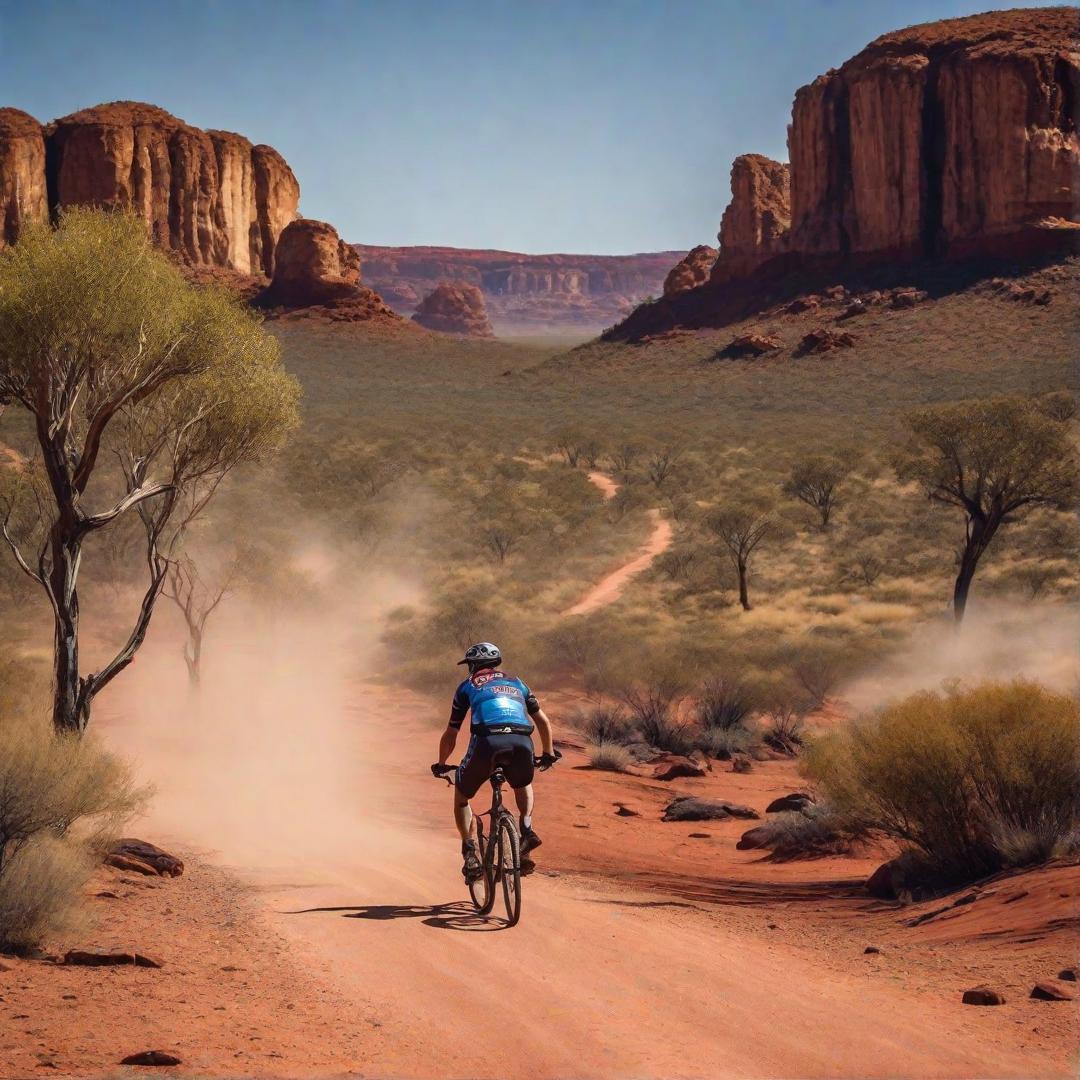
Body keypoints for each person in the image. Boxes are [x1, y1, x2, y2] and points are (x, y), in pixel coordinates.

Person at [431, 642, 558, 881]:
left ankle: (470, 853)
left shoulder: (466, 686)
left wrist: (441, 763)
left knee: (462, 796)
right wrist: (548, 753)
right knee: (523, 782)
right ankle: (527, 830)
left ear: (474, 665)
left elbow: (452, 733)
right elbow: (543, 721)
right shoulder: (518, 683)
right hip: (522, 740)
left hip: (487, 742)